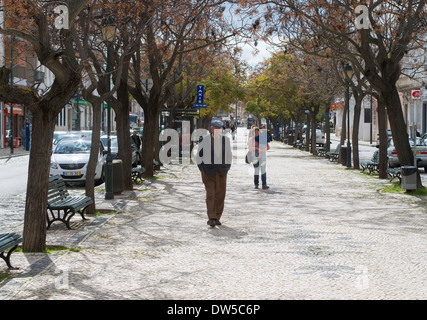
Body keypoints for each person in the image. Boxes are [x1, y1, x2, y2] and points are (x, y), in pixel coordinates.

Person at [197, 119, 232, 227]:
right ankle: (211, 217)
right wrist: (202, 170)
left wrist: (227, 168)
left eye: (219, 128)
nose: (217, 130)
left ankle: (217, 217)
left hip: (221, 172)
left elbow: (229, 155)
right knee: (211, 194)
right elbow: (199, 157)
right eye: (215, 128)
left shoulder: (225, 140)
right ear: (211, 128)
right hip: (208, 172)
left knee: (220, 195)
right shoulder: (204, 140)